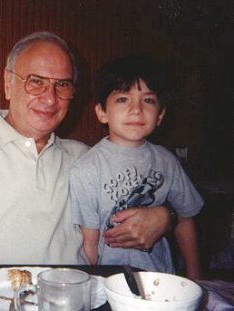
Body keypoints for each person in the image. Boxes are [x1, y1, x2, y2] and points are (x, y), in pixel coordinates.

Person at [0, 32, 172, 264]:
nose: (50, 98)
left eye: (62, 85)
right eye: (36, 82)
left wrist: (166, 217)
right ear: (8, 83)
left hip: (74, 299)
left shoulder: (88, 159)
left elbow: (154, 194)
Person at [69, 54, 204, 279]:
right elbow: (89, 245)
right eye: (123, 99)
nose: (136, 109)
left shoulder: (167, 161)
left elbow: (185, 219)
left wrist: (196, 279)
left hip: (161, 280)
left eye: (148, 100)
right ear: (102, 112)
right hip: (108, 283)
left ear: (160, 115)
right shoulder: (86, 169)